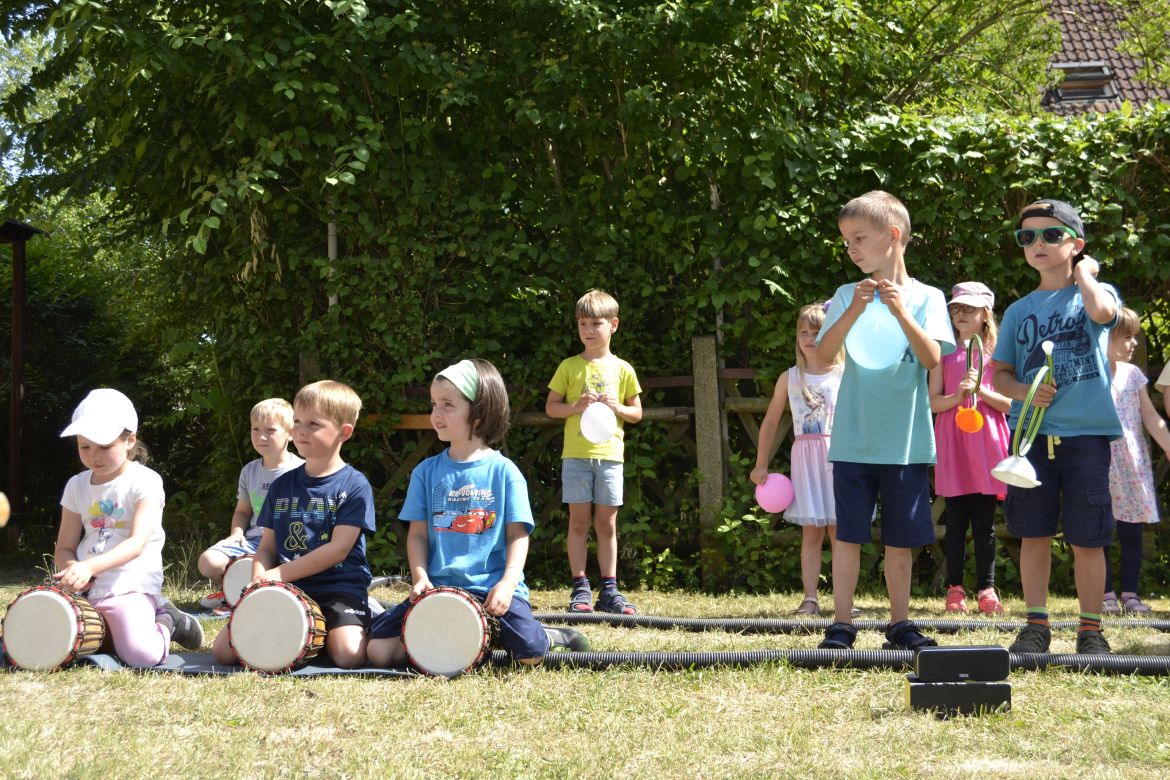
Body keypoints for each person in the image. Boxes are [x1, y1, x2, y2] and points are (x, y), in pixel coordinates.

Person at [367, 359, 587, 668]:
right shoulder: (425, 472)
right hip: (439, 590)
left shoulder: (505, 472)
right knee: (378, 652)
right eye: (433, 404)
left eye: (447, 405)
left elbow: (517, 536)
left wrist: (508, 583)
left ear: (479, 414)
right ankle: (460, 633)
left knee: (531, 654)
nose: (436, 414)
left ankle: (550, 635)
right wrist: (420, 577)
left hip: (492, 591)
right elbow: (417, 534)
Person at [814, 190, 956, 652]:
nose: (851, 249)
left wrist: (897, 310)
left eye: (859, 238)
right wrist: (856, 308)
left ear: (893, 236)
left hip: (905, 444)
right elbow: (823, 352)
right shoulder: (843, 294)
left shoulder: (927, 297)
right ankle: (841, 624)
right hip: (853, 441)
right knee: (848, 537)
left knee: (900, 540)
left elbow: (932, 356)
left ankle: (900, 625)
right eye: (846, 241)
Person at [992, 199, 1121, 655]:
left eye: (1051, 235)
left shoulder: (1095, 293)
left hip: (1085, 436)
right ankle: (1035, 627)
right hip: (1031, 439)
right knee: (1033, 533)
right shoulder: (1016, 311)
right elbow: (1000, 374)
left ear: (1076, 245)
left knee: (1089, 536)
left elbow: (1105, 315)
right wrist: (1025, 392)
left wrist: (1086, 275)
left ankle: (1090, 630)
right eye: (1027, 237)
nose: (1037, 244)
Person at [211, 380, 376, 669]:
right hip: (289, 586)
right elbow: (266, 547)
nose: (300, 430)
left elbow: (338, 550)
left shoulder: (355, 485)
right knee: (225, 652)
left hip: (340, 586)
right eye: (297, 421)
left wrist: (278, 573)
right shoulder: (282, 484)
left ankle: (359, 616)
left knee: (348, 654)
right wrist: (259, 581)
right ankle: (308, 632)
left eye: (313, 423)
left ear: (344, 432)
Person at [53, 388, 203, 667]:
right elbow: (64, 547)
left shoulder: (145, 481)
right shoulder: (76, 485)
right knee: (43, 641)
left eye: (104, 447)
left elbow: (137, 543)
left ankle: (169, 620)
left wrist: (89, 568)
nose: (93, 456)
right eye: (84, 446)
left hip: (130, 585)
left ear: (129, 440)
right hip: (86, 590)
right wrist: (73, 568)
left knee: (140, 656)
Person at [545, 290, 643, 614]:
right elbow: (551, 408)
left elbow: (637, 413)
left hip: (611, 457)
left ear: (613, 325)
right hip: (575, 457)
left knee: (607, 525)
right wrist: (575, 406)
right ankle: (580, 587)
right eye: (582, 323)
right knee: (578, 523)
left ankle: (610, 589)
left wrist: (617, 407)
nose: (588, 330)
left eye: (596, 323)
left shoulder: (623, 369)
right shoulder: (569, 366)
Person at [750, 301, 844, 616]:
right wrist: (761, 463)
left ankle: (845, 600)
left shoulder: (845, 374)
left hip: (841, 459)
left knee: (840, 531)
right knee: (812, 532)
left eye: (816, 332)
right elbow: (771, 422)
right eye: (803, 331)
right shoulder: (789, 378)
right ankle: (810, 598)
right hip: (806, 461)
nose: (808, 337)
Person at [928, 282, 1012, 615]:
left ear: (985, 314)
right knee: (956, 521)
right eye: (955, 308)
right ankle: (955, 588)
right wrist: (957, 397)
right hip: (954, 442)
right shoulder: (941, 351)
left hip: (988, 445)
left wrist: (981, 390)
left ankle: (987, 589)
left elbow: (1010, 404)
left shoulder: (999, 354)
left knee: (984, 523)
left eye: (969, 308)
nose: (960, 314)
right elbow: (934, 401)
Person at [196, 398, 304, 610]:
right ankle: (230, 592)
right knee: (207, 561)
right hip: (253, 542)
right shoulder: (249, 471)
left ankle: (250, 595)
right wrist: (236, 533)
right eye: (255, 429)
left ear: (290, 433)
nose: (261, 436)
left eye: (270, 430)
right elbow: (243, 511)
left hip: (287, 544)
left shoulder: (301, 470)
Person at [1101, 307, 1170, 615]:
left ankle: (1131, 594)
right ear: (1106, 337)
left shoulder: (1134, 376)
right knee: (1100, 529)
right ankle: (1104, 593)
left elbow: (1152, 418)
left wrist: (1169, 446)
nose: (1132, 344)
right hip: (1100, 462)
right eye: (1126, 337)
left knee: (1131, 532)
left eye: (1135, 337)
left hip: (1132, 465)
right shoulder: (1093, 375)